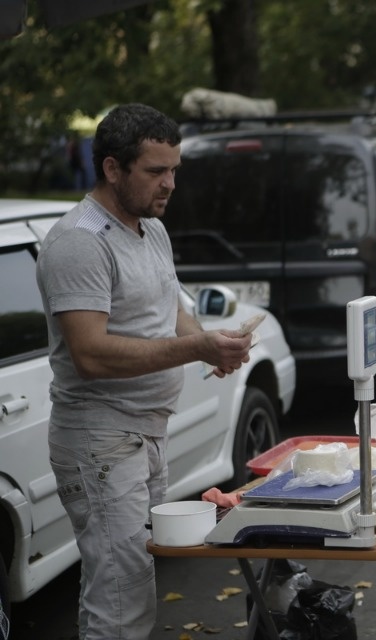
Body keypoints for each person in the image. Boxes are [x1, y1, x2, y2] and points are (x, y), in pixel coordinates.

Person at [36, 103, 253, 640]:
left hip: (144, 433)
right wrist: (195, 347)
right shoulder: (79, 242)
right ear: (113, 168)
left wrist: (211, 346)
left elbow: (168, 307)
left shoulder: (150, 228)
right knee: (121, 601)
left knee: (128, 586)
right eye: (156, 171)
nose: (170, 184)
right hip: (101, 439)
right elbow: (91, 354)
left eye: (174, 169)